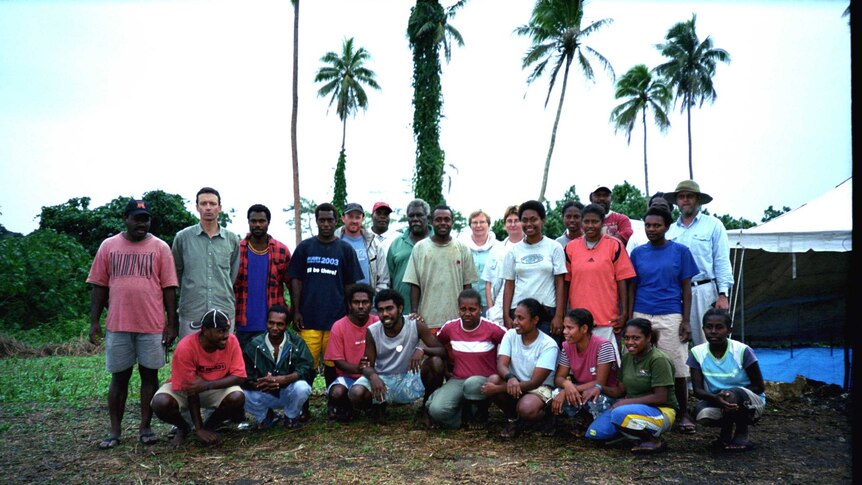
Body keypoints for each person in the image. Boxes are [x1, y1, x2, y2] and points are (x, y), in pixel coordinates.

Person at [87, 199, 179, 449]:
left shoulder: (160, 247)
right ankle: (114, 430)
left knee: (149, 377)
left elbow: (169, 287)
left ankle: (145, 426)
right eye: (137, 218)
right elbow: (99, 286)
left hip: (151, 325)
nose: (142, 223)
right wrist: (94, 321)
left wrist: (172, 324)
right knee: (119, 378)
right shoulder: (109, 246)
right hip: (118, 324)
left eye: (146, 219)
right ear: (126, 219)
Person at [287, 202, 364, 416]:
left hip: (336, 320)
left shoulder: (345, 249)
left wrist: (349, 314)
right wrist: (297, 310)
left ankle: (334, 404)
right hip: (308, 319)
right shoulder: (305, 247)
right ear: (316, 220)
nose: (326, 224)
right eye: (322, 220)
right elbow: (296, 280)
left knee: (332, 365)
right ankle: (302, 406)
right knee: (306, 365)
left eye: (330, 220)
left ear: (336, 220)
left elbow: (351, 285)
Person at [628, 206, 700, 433]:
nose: (652, 229)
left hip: (670, 313)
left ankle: (683, 413)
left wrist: (686, 320)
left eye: (657, 225)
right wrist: (630, 318)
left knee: (677, 365)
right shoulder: (638, 253)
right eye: (648, 225)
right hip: (641, 312)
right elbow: (632, 287)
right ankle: (643, 410)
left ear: (667, 227)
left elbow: (686, 288)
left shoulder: (681, 251)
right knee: (639, 362)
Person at [348, 289, 447, 424]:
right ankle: (378, 407)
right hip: (384, 378)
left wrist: (423, 349)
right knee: (356, 394)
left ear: (400, 308)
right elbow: (366, 364)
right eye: (381, 310)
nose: (385, 314)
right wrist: (373, 376)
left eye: (389, 309)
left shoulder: (415, 325)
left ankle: (426, 407)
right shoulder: (373, 331)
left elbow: (442, 351)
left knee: (436, 362)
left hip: (409, 377)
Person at [151, 309, 247, 447]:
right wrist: (198, 427)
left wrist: (208, 385)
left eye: (227, 330)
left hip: (214, 386)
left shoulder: (231, 341)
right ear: (205, 330)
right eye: (220, 331)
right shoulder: (186, 347)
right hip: (188, 390)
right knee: (160, 403)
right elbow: (192, 390)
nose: (226, 335)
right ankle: (184, 428)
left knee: (237, 397)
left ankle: (210, 426)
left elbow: (239, 377)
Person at [585, 318, 678, 453]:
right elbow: (620, 390)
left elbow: (661, 397)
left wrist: (626, 403)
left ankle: (653, 441)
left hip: (661, 411)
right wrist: (599, 388)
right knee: (595, 433)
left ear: (648, 338)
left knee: (618, 413)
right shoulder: (628, 357)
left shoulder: (658, 359)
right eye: (627, 338)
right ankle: (630, 435)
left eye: (636, 338)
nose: (630, 343)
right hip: (631, 409)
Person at [664, 180, 734, 347]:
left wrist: (723, 294)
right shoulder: (671, 230)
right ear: (677, 202)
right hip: (675, 292)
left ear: (698, 200)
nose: (685, 200)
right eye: (681, 197)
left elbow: (722, 260)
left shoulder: (713, 225)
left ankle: (711, 374)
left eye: (690, 196)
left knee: (707, 342)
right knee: (675, 341)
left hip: (703, 290)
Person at [426, 289, 506, 429]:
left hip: (482, 381)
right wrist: (445, 369)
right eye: (463, 309)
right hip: (458, 379)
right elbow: (439, 344)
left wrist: (503, 370)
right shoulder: (450, 327)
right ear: (458, 309)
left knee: (472, 383)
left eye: (472, 309)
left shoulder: (492, 328)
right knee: (437, 410)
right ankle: (463, 419)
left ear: (480, 309)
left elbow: (511, 341)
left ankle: (480, 412)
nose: (467, 313)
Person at [688, 309, 765, 451]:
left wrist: (732, 394)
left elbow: (759, 387)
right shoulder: (697, 352)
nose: (713, 331)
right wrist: (716, 397)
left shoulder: (742, 351)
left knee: (731, 396)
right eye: (709, 327)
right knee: (701, 414)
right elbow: (697, 391)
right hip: (717, 399)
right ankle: (726, 430)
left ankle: (742, 431)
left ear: (729, 330)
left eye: (719, 327)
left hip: (749, 401)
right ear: (703, 329)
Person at [481, 298, 558, 439]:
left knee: (526, 408)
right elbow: (501, 364)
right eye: (515, 316)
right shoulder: (510, 335)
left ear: (535, 320)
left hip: (538, 388)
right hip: (515, 382)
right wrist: (510, 377)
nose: (515, 322)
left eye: (520, 318)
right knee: (493, 379)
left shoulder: (548, 345)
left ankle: (546, 415)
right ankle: (513, 419)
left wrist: (497, 389)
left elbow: (535, 382)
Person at [564, 203, 636, 346]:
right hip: (578, 320)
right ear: (581, 223)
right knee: (581, 364)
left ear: (603, 223)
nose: (590, 225)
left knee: (606, 364)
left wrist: (624, 313)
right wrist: (564, 314)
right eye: (586, 222)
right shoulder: (571, 247)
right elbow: (566, 282)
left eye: (595, 222)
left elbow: (622, 280)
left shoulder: (614, 245)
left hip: (607, 320)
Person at [172, 187, 240, 338]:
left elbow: (232, 275)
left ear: (220, 208)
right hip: (191, 310)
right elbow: (175, 274)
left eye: (212, 203)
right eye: (203, 203)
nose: (208, 207)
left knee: (221, 357)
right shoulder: (183, 238)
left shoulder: (232, 239)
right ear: (197, 207)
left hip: (224, 308)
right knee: (190, 356)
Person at [403, 205, 478, 329]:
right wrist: (415, 312)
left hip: (456, 321)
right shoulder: (420, 248)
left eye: (447, 219)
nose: (443, 223)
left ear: (452, 222)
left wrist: (466, 314)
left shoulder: (463, 248)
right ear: (431, 222)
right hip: (427, 320)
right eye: (438, 219)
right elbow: (414, 284)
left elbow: (467, 286)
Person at [241, 304, 313, 429]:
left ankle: (291, 415)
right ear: (266, 322)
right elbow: (245, 374)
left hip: (287, 391)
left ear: (287, 325)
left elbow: (306, 367)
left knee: (303, 387)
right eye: (271, 323)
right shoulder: (254, 344)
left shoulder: (296, 342)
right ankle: (264, 417)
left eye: (280, 324)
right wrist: (261, 383)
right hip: (263, 392)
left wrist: (284, 379)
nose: (274, 328)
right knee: (239, 394)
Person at [501, 200, 566, 339]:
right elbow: (509, 284)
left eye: (533, 219)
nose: (529, 224)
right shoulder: (513, 251)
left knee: (548, 356)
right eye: (524, 220)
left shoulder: (554, 247)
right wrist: (506, 315)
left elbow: (560, 282)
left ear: (542, 221)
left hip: (547, 312)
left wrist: (559, 315)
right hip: (519, 313)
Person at [233, 204, 292, 350]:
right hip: (242, 323)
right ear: (248, 222)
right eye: (253, 221)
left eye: (261, 221)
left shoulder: (281, 250)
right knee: (244, 369)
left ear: (268, 222)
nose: (257, 225)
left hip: (273, 325)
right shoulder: (237, 249)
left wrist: (294, 311)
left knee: (271, 370)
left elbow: (292, 284)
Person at [550, 309, 618, 434]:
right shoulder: (567, 346)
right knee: (555, 394)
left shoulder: (603, 346)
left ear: (584, 328)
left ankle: (598, 426)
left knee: (595, 398)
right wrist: (567, 385)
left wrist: (568, 391)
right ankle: (574, 422)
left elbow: (600, 383)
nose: (565, 332)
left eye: (570, 328)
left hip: (603, 392)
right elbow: (559, 378)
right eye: (564, 327)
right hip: (581, 389)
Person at [324, 283, 379, 422]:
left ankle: (368, 406)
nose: (361, 306)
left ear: (370, 304)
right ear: (349, 304)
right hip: (348, 376)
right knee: (336, 393)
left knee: (365, 395)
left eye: (365, 302)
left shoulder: (378, 323)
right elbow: (337, 360)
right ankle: (346, 406)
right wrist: (358, 368)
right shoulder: (339, 326)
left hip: (373, 375)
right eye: (356, 302)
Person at [387, 199, 431, 314]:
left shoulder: (437, 241)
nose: (415, 219)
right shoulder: (397, 243)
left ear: (428, 217)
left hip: (431, 310)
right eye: (411, 215)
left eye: (419, 215)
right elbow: (389, 279)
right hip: (402, 310)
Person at [335, 202, 390, 292]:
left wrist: (374, 301)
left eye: (357, 217)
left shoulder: (374, 243)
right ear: (343, 218)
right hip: (340, 301)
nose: (354, 221)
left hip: (367, 302)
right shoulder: (335, 241)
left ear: (363, 219)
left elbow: (383, 280)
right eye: (350, 217)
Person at [483, 205, 524, 324]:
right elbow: (488, 282)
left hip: (522, 297)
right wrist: (491, 308)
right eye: (509, 221)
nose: (513, 224)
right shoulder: (496, 249)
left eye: (517, 221)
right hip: (499, 302)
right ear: (505, 224)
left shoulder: (529, 247)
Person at [460, 210, 498, 311]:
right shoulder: (462, 247)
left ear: (488, 224)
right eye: (475, 222)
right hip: (467, 303)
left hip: (491, 303)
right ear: (470, 225)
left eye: (482, 222)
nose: (478, 225)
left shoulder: (498, 247)